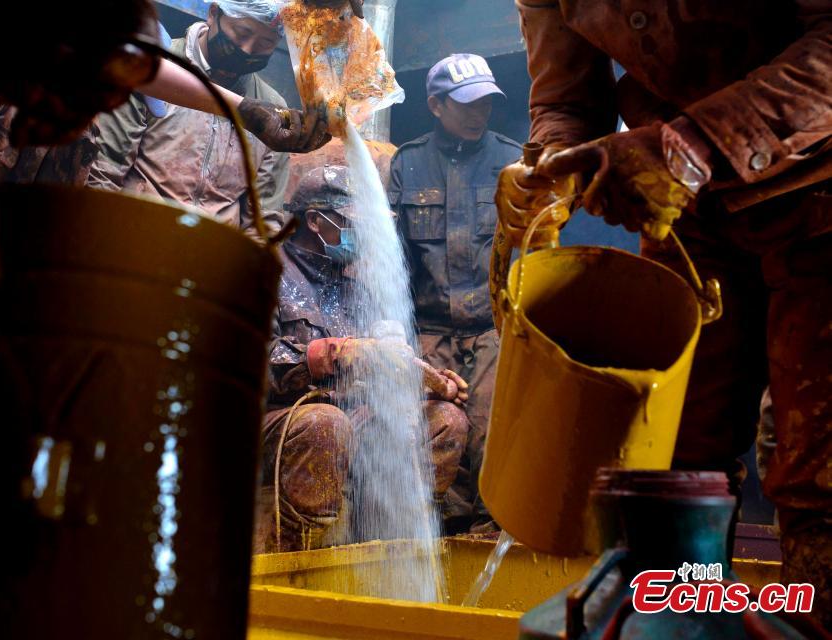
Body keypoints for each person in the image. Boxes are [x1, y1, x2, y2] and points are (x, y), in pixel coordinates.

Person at [500, 0, 831, 627]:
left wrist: (691, 146)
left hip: (822, 193)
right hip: (691, 219)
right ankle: (689, 619)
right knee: (675, 463)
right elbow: (568, 100)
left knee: (820, 479)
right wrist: (548, 163)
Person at [256, 165, 471, 552]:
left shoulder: (356, 282)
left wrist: (427, 380)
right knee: (326, 424)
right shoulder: (264, 270)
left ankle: (391, 549)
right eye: (356, 223)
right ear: (315, 221)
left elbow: (382, 362)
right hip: (280, 418)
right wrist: (330, 354)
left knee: (444, 421)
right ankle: (297, 561)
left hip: (353, 414)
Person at [388, 54, 522, 533]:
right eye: (467, 104)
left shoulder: (513, 161)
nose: (478, 113)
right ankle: (440, 543)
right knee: (437, 440)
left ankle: (489, 541)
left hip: (493, 330)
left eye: (486, 103)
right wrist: (399, 339)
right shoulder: (408, 162)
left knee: (494, 438)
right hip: (430, 333)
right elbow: (393, 259)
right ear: (436, 105)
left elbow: (536, 248)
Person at [87, 0, 299, 236]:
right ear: (214, 13)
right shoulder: (153, 66)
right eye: (242, 33)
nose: (248, 50)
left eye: (265, 43)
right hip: (133, 236)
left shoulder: (272, 111)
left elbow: (263, 223)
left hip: (211, 252)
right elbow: (105, 171)